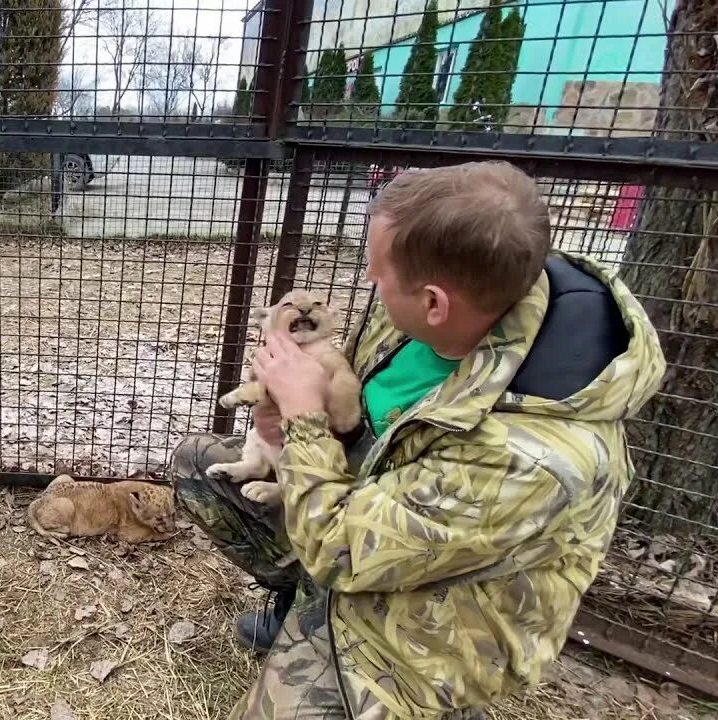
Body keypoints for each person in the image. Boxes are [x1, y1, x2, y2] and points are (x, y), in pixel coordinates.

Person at [172, 161, 666, 718]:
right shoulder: (449, 305)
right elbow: (370, 430)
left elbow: (341, 549)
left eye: (377, 275)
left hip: (434, 619)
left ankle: (425, 699)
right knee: (200, 466)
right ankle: (302, 603)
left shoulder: (529, 454)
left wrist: (307, 422)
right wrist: (289, 421)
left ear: (434, 302)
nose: (367, 285)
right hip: (372, 515)